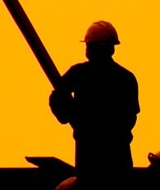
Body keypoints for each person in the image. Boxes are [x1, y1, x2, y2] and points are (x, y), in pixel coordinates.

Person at [50, 21, 139, 181]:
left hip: (89, 154)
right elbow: (131, 118)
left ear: (92, 48)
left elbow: (57, 99)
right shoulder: (126, 77)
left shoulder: (79, 73)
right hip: (118, 156)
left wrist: (72, 117)